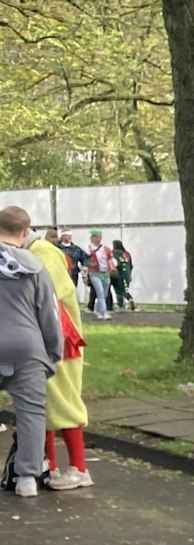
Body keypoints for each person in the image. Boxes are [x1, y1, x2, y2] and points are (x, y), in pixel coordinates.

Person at [0, 207, 60, 499]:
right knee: (31, 413)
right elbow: (49, 312)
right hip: (27, 347)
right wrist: (53, 353)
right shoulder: (36, 266)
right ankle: (27, 479)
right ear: (26, 232)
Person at [26, 226, 89, 490]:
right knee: (44, 399)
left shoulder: (43, 253)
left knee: (63, 398)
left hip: (60, 337)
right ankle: (48, 464)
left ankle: (79, 468)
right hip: (49, 334)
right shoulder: (36, 252)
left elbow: (48, 293)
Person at [83, 230, 114, 320]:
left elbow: (110, 260)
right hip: (95, 273)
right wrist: (85, 275)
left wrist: (111, 269)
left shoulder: (106, 249)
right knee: (100, 293)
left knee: (104, 294)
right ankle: (104, 313)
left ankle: (98, 310)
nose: (98, 239)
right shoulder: (88, 249)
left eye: (99, 237)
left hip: (105, 274)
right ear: (91, 238)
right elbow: (85, 262)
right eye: (96, 237)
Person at [111, 239, 135, 311]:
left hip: (119, 274)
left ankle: (121, 305)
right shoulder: (127, 254)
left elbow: (115, 263)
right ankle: (130, 299)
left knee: (118, 290)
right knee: (125, 289)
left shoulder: (114, 253)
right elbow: (131, 265)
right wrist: (129, 274)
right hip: (127, 274)